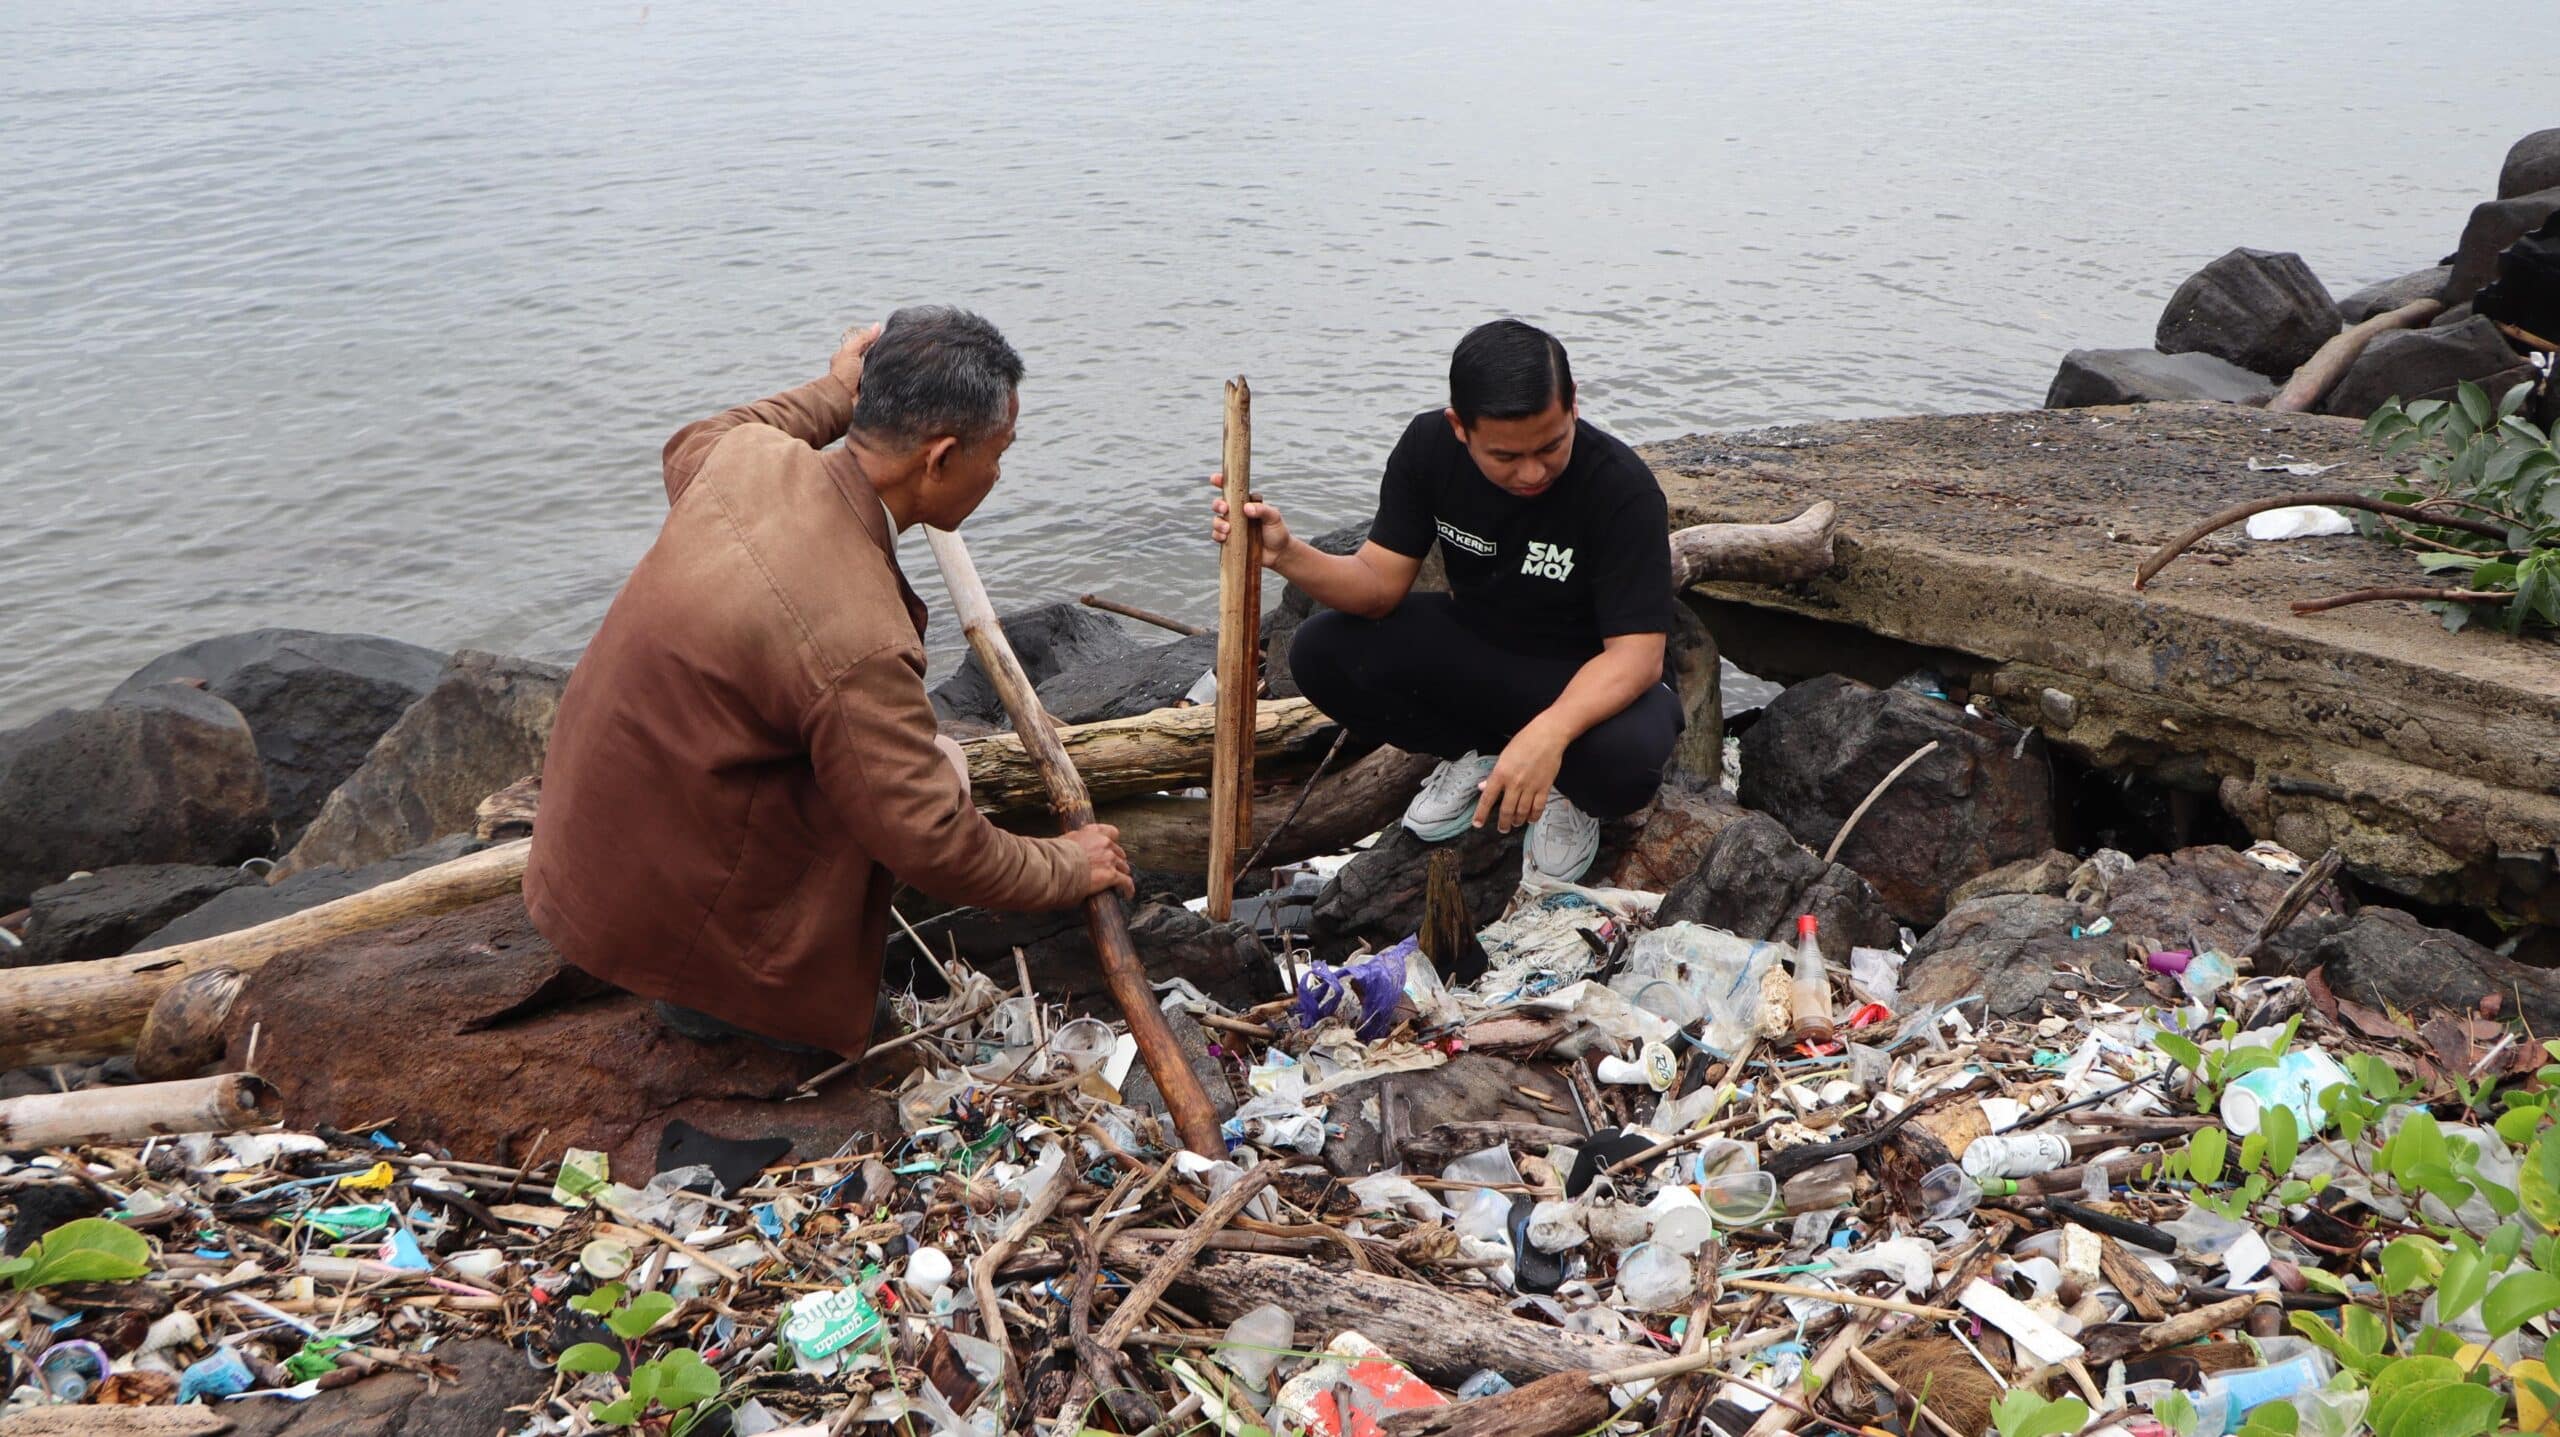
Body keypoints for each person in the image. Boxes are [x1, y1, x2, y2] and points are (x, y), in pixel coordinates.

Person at [526, 307, 1133, 1059]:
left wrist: (834, 392)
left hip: (581, 867)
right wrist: (1065, 866)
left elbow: (693, 438)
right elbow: (932, 841)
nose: (1000, 473)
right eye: (999, 453)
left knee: (916, 757)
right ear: (938, 459)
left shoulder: (745, 458)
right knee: (936, 772)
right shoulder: (858, 638)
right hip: (672, 931)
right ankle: (721, 1004)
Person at [1210, 319, 1679, 882]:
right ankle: (1479, 752)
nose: (1532, 472)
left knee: (1623, 765)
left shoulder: (1621, 489)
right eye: (1505, 456)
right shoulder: (1429, 448)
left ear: (1573, 404)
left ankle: (1566, 791)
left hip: (1590, 676)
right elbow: (1377, 587)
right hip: (1482, 648)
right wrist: (1285, 552)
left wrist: (1549, 734)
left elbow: (1637, 657)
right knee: (1320, 652)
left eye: (1551, 446)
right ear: (1460, 427)